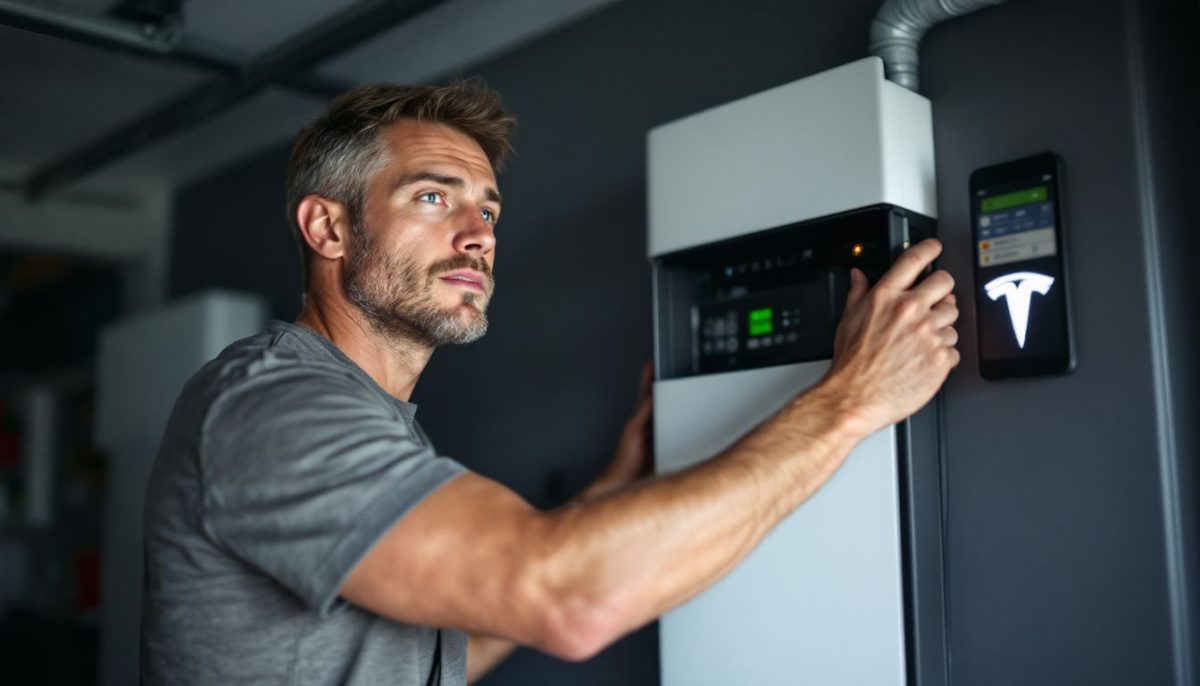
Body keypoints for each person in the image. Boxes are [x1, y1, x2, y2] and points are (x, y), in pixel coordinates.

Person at [141, 80, 959, 686]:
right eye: (433, 197)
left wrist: (603, 498)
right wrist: (853, 400)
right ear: (328, 226)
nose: (477, 237)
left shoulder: (378, 417)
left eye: (489, 212)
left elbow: (439, 654)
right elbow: (568, 601)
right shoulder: (275, 403)